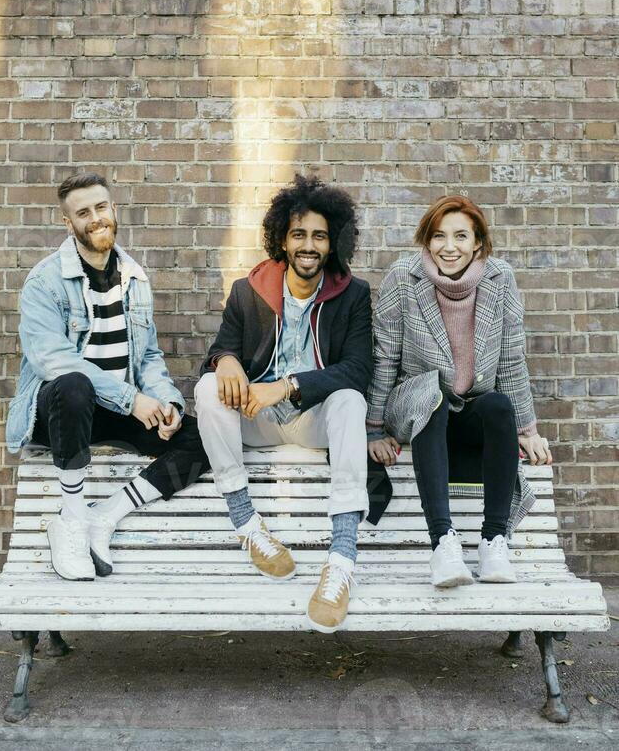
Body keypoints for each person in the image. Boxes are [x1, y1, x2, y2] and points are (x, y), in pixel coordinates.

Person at [194, 173, 377, 632]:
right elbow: (219, 351)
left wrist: (288, 385)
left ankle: (341, 561)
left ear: (334, 243)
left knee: (352, 401)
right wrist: (227, 361)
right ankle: (249, 527)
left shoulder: (353, 295)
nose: (309, 245)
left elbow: (358, 370)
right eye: (299, 234)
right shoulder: (247, 290)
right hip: (258, 419)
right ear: (282, 239)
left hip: (312, 418)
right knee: (205, 390)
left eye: (319, 235)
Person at [6, 171, 210, 581]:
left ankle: (105, 516)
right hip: (60, 413)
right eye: (83, 212)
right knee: (72, 383)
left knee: (204, 438)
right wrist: (132, 399)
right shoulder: (44, 282)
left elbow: (149, 354)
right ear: (68, 224)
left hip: (118, 409)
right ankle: (72, 520)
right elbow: (54, 361)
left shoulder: (134, 278)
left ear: (114, 210)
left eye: (101, 207)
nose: (95, 218)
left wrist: (165, 400)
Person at [366, 194, 552, 589]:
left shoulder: (499, 278)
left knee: (499, 405)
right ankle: (443, 545)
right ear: (427, 242)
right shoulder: (404, 276)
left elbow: (511, 361)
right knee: (433, 397)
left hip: (468, 407)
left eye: (460, 237)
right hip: (417, 405)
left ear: (478, 243)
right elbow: (385, 356)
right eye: (438, 237)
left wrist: (528, 429)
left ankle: (493, 540)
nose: (448, 247)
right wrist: (375, 429)